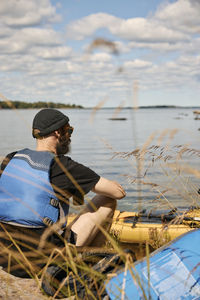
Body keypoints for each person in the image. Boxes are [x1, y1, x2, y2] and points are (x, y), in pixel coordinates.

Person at [0, 108, 126, 276]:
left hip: (7, 259)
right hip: (44, 263)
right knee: (107, 201)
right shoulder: (64, 166)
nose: (70, 136)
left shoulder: (11, 158)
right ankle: (86, 270)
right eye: (69, 130)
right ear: (58, 132)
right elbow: (117, 193)